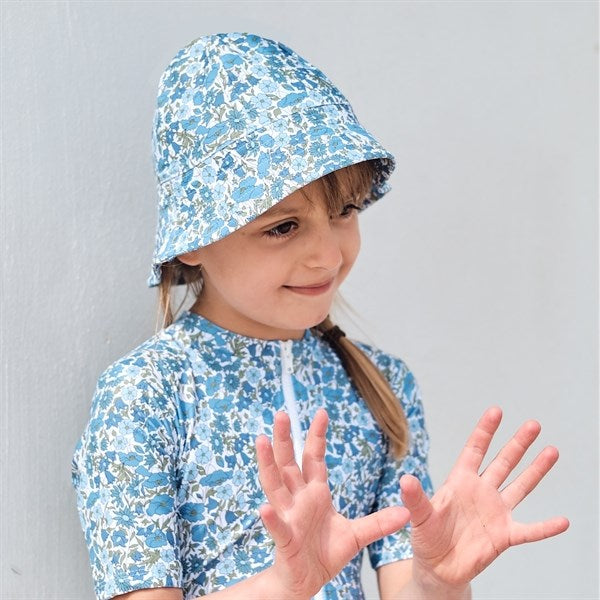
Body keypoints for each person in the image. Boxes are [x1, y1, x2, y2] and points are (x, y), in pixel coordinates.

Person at [71, 32, 569, 600]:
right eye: (283, 227)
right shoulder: (145, 395)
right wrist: (282, 586)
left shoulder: (382, 389)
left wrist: (438, 580)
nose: (328, 255)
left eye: (344, 211)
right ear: (193, 240)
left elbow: (405, 588)